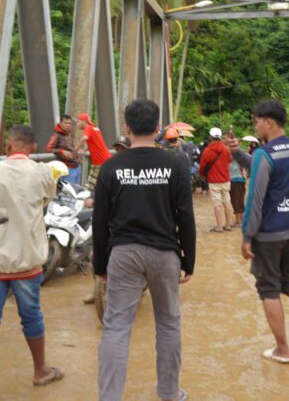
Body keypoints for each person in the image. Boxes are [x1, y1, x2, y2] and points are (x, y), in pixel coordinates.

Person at [94, 99, 195, 401]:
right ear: (157, 128)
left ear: (127, 128)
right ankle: (168, 393)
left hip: (123, 253)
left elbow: (100, 222)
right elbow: (186, 216)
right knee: (168, 321)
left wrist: (100, 265)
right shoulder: (175, 164)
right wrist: (189, 259)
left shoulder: (111, 166)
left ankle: (109, 397)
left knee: (116, 327)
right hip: (165, 252)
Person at [0, 125, 62, 387]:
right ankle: (40, 371)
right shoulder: (42, 172)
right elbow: (44, 204)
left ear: (7, 146)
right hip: (26, 261)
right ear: (33, 148)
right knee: (31, 316)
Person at [242, 99, 289, 365]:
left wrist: (246, 236)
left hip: (270, 233)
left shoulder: (265, 154)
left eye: (257, 121)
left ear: (268, 122)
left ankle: (283, 350)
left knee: (268, 288)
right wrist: (238, 154)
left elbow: (255, 198)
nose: (256, 125)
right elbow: (273, 173)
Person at [200, 127, 234, 232]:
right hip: (225, 179)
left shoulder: (208, 150)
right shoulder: (226, 149)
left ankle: (219, 226)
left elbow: (203, 165)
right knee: (227, 201)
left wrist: (202, 175)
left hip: (214, 180)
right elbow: (229, 161)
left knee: (217, 203)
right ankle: (228, 225)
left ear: (210, 137)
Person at [46, 115, 81, 186]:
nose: (68, 125)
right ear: (61, 124)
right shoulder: (57, 135)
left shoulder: (69, 134)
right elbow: (49, 148)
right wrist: (61, 151)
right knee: (69, 193)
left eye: (70, 123)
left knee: (76, 192)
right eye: (66, 123)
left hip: (77, 166)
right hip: (68, 168)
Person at [225, 132, 248, 225]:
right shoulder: (233, 150)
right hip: (237, 177)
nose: (224, 140)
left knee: (236, 200)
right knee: (238, 200)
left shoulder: (233, 151)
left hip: (236, 178)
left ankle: (239, 221)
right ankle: (240, 220)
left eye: (225, 138)